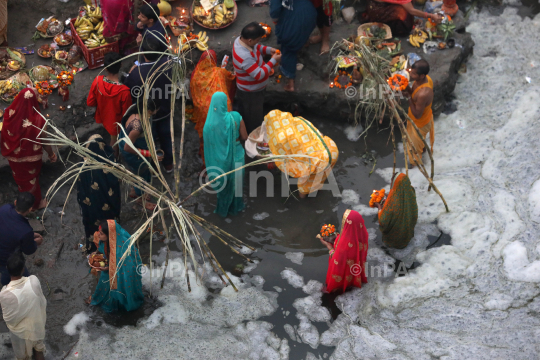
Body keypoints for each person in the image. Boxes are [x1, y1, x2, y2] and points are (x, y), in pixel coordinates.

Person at [1, 88, 57, 210]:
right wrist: (51, 154)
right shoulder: (39, 120)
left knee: (21, 178)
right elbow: (45, 141)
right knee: (31, 180)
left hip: (13, 156)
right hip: (30, 159)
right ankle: (36, 204)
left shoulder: (8, 114)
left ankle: (22, 193)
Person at [125, 36, 174, 172]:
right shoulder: (169, 64)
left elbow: (129, 89)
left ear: (143, 53)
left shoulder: (136, 73)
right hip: (165, 109)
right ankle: (168, 164)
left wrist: (130, 73)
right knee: (166, 136)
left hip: (147, 115)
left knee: (149, 140)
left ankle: (153, 166)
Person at [264, 110, 339, 198]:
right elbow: (319, 133)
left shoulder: (280, 138)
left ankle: (303, 203)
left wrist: (273, 163)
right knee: (320, 176)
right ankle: (318, 188)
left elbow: (284, 159)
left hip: (317, 161)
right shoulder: (299, 120)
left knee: (303, 186)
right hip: (330, 148)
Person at [203, 92, 248, 217]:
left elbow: (208, 148)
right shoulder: (236, 117)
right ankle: (236, 209)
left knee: (224, 184)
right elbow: (245, 137)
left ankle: (223, 209)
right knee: (237, 184)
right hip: (237, 156)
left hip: (219, 161)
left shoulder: (208, 126)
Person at [233, 22, 281, 134]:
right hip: (250, 92)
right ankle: (252, 135)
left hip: (255, 89)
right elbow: (259, 74)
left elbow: (256, 47)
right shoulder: (244, 57)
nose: (258, 42)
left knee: (250, 112)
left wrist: (269, 50)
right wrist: (273, 60)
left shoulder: (241, 40)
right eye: (257, 39)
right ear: (250, 40)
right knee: (253, 117)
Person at [190, 50, 235, 168]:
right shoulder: (220, 72)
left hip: (205, 115)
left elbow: (193, 94)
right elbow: (231, 77)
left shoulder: (196, 74)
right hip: (221, 114)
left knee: (206, 140)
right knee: (220, 140)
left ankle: (207, 166)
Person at [76, 135, 122, 253]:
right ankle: (111, 245)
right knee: (108, 225)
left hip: (91, 206)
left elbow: (80, 188)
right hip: (107, 203)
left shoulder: (83, 164)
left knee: (93, 225)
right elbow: (116, 182)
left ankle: (95, 247)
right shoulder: (109, 161)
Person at [88, 220, 144, 312]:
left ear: (110, 235)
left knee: (119, 289)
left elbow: (126, 267)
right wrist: (96, 254)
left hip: (122, 273)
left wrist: (107, 268)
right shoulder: (105, 240)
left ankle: (120, 305)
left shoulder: (120, 250)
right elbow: (102, 249)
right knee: (105, 283)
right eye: (99, 232)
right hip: (111, 266)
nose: (98, 235)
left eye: (101, 234)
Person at [0, 252, 46, 360]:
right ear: (23, 269)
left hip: (20, 333)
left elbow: (9, 320)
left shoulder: (4, 293)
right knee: (39, 349)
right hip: (37, 323)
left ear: (7, 269)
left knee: (23, 356)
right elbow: (41, 301)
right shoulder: (34, 280)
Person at [118, 99, 162, 210]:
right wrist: (150, 154)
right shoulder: (137, 127)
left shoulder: (136, 108)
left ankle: (135, 191)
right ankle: (141, 199)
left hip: (136, 145)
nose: (155, 113)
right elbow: (127, 147)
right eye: (154, 112)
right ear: (148, 111)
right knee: (141, 176)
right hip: (134, 154)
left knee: (140, 173)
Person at [87, 52, 132, 157]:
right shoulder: (124, 91)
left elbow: (90, 102)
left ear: (106, 68)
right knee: (114, 141)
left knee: (112, 137)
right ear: (121, 65)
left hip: (102, 117)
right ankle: (113, 160)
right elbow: (126, 114)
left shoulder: (98, 81)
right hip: (115, 124)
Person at [270, 0, 317, 92]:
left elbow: (274, 11)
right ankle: (303, 42)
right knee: (302, 32)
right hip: (310, 13)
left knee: (288, 50)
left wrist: (278, 22)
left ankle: (290, 84)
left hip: (295, 18)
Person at [318, 210, 368, 293]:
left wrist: (329, 246)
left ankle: (335, 288)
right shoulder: (363, 234)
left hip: (343, 273)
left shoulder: (343, 246)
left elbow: (336, 261)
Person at [0, 193, 43, 286]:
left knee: (4, 271)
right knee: (16, 273)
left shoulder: (5, 208)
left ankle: (5, 283)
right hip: (6, 258)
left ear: (15, 202)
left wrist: (30, 235)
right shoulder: (25, 231)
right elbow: (28, 250)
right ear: (30, 209)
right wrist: (36, 242)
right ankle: (20, 287)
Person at [373, 173, 418, 249]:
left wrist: (379, 206)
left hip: (395, 239)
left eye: (392, 182)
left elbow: (383, 221)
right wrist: (388, 195)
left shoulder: (393, 203)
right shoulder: (411, 190)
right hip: (407, 231)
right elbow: (401, 197)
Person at [404, 59, 435, 167]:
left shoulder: (423, 93)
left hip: (420, 123)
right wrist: (405, 87)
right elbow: (414, 95)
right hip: (421, 117)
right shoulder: (425, 79)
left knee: (413, 147)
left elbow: (417, 114)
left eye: (413, 73)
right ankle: (422, 150)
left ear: (422, 76)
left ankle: (415, 165)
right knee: (419, 142)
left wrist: (408, 97)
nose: (410, 74)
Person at [363, 0, 442, 35]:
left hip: (376, 4)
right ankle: (395, 29)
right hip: (376, 9)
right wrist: (431, 16)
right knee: (402, 13)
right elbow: (411, 10)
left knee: (408, 4)